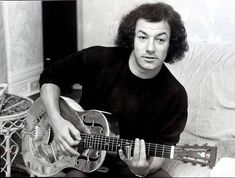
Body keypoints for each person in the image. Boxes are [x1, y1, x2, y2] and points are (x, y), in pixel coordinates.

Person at [39, 2, 189, 177]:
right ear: (131, 38)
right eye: (142, 37)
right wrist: (56, 120)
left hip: (127, 167)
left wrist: (142, 169)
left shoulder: (175, 95)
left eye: (160, 39)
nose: (150, 48)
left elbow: (160, 153)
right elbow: (50, 76)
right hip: (80, 157)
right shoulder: (98, 59)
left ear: (171, 44)